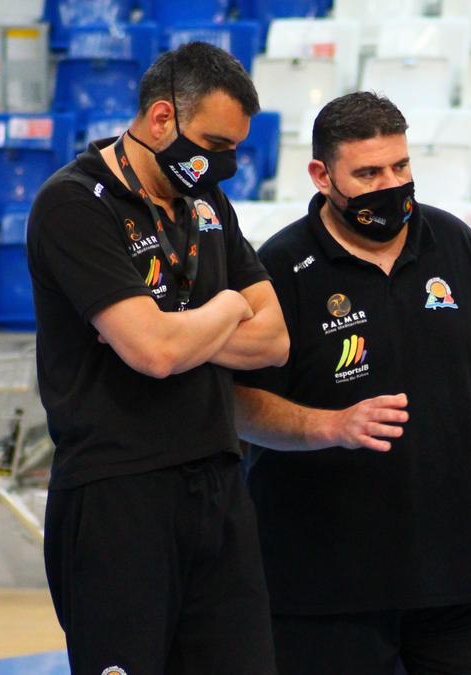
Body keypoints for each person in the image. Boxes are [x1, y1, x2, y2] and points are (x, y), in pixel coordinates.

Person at [232, 92, 471, 675]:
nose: (391, 184)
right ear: (321, 175)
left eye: (400, 167)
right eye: (367, 173)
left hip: (462, 575)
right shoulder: (280, 268)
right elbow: (237, 402)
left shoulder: (455, 243)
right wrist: (328, 426)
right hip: (322, 586)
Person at [26, 42, 287, 674]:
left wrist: (173, 330)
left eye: (232, 150)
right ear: (162, 118)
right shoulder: (73, 204)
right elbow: (155, 355)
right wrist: (226, 306)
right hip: (119, 491)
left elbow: (275, 340)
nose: (223, 163)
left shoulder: (203, 202)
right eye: (214, 144)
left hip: (219, 482)